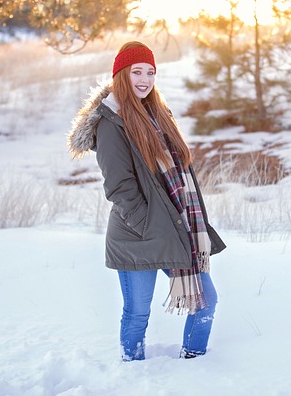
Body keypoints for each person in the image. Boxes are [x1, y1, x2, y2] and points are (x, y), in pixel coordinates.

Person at [67, 41, 226, 361]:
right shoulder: (110, 122)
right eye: (136, 71)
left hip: (175, 228)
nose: (144, 79)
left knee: (205, 298)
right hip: (136, 234)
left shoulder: (159, 114)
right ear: (120, 75)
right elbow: (120, 187)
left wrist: (173, 225)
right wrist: (149, 225)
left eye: (150, 72)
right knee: (138, 312)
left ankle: (195, 363)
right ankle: (132, 369)